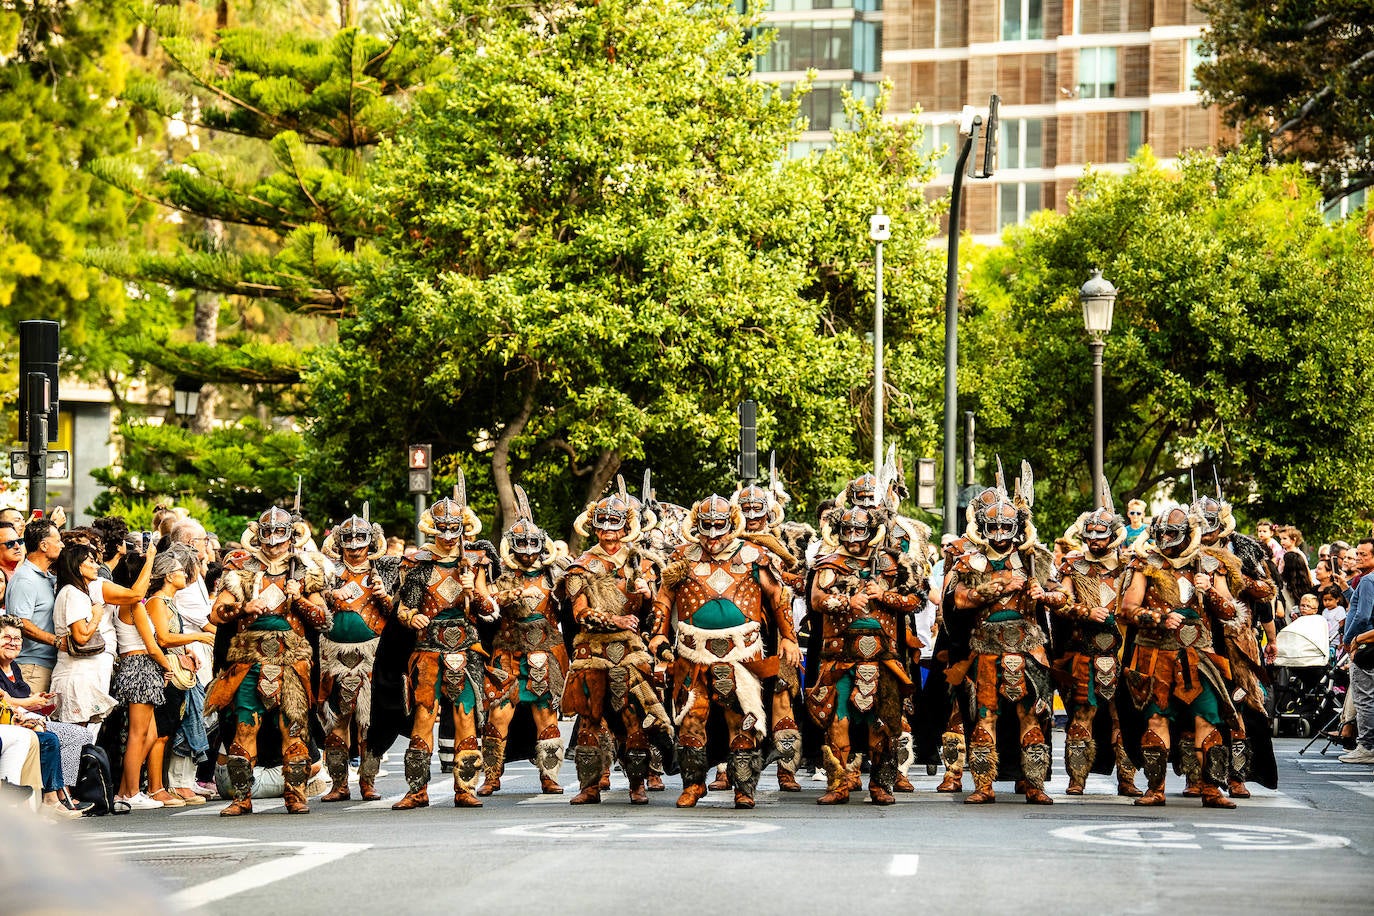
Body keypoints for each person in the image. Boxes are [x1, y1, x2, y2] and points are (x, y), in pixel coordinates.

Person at [651, 495, 798, 809]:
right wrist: (658, 636)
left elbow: (778, 598)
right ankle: (693, 784)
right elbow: (663, 600)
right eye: (707, 527)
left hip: (742, 654)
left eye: (720, 526)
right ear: (697, 526)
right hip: (692, 654)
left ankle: (744, 788)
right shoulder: (681, 557)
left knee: (743, 721)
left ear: (732, 525)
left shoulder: (755, 556)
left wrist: (788, 638)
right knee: (690, 720)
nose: (714, 535)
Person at [947, 462, 1062, 805]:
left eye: (1005, 526)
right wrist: (997, 586)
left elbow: (1061, 594)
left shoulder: (1033, 560)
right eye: (993, 525)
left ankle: (1034, 783)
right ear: (983, 526)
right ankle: (983, 785)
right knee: (985, 716)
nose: (999, 531)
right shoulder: (969, 562)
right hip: (986, 648)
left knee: (1032, 716)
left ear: (1015, 527)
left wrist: (1047, 595)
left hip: (1028, 649)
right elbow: (959, 600)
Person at [205, 504, 331, 815]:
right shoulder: (241, 570)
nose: (273, 541)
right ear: (258, 537)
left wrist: (298, 597)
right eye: (268, 534)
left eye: (279, 533)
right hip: (249, 659)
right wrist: (242, 609)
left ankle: (296, 795)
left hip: (292, 660)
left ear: (290, 536)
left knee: (294, 728)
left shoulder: (305, 571)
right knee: (245, 728)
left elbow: (323, 619)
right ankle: (241, 797)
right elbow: (217, 612)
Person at [1119, 504, 1244, 808]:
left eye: (1171, 533)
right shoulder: (1144, 564)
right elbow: (1126, 609)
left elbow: (1231, 613)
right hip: (1155, 655)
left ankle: (1211, 789)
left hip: (1199, 658)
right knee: (1156, 720)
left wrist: (1210, 590)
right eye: (1160, 533)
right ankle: (1155, 789)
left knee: (1207, 721)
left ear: (1187, 534)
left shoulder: (1210, 565)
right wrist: (1159, 617)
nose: (1165, 539)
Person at [806, 500, 925, 806]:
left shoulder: (892, 562)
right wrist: (847, 602)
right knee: (838, 721)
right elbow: (818, 600)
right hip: (841, 656)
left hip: (883, 656)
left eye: (860, 530)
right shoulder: (828, 564)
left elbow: (916, 600)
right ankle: (840, 782)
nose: (854, 536)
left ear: (872, 531)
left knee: (882, 722)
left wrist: (882, 595)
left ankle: (880, 784)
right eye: (848, 529)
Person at [391, 492, 503, 810]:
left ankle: (464, 788)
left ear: (463, 528)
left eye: (454, 528)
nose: (449, 535)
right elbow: (404, 607)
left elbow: (487, 609)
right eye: (443, 528)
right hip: (428, 647)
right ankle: (417, 790)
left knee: (466, 718)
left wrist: (472, 591)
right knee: (424, 717)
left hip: (466, 646)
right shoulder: (419, 561)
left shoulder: (474, 561)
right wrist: (413, 617)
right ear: (433, 529)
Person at [560, 487, 670, 806]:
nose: (609, 531)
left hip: (631, 651)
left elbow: (655, 614)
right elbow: (580, 614)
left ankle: (638, 783)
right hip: (592, 651)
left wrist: (645, 597)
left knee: (633, 715)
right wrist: (616, 620)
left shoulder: (643, 564)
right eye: (603, 525)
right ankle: (590, 786)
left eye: (615, 524)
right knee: (592, 719)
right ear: (594, 528)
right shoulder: (581, 565)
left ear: (625, 527)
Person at [478, 489, 570, 797]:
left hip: (544, 652)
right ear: (512, 546)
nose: (528, 550)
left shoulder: (553, 574)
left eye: (533, 544)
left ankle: (549, 776)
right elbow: (487, 603)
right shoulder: (501, 574)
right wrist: (511, 595)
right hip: (507, 653)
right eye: (522, 544)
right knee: (498, 715)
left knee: (546, 715)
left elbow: (570, 604)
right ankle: (491, 776)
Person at [1050, 483, 1140, 796]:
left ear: (1113, 535)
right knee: (1082, 715)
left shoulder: (1131, 566)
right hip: (1084, 650)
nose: (1095, 541)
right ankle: (1077, 779)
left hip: (1122, 652)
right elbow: (1060, 602)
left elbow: (1140, 603)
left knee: (1122, 717)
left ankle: (1127, 780)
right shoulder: (1073, 565)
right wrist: (1084, 611)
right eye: (1090, 535)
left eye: (1101, 535)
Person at [316, 508, 399, 801]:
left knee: (368, 720)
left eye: (360, 542)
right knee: (336, 719)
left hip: (372, 653)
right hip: (333, 654)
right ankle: (339, 784)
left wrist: (383, 596)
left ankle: (367, 781)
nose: (354, 549)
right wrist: (329, 595)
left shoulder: (385, 572)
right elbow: (313, 605)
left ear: (370, 543)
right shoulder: (327, 573)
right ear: (340, 544)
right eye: (348, 542)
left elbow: (397, 614)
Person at [0, 615, 92, 817]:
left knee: (82, 735)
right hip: (12, 722)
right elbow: (5, 702)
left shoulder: (14, 667)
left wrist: (38, 699)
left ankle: (60, 792)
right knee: (62, 737)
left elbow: (20, 697)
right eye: (7, 637)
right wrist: (30, 704)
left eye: (17, 639)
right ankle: (60, 795)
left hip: (26, 718)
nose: (12, 643)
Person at [144, 545, 214, 807]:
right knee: (161, 731)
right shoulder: (157, 602)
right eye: (179, 570)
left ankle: (162, 786)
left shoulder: (169, 602)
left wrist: (188, 651)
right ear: (166, 575)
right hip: (164, 673)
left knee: (169, 730)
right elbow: (162, 637)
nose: (185, 574)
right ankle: (155, 787)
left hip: (176, 670)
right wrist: (198, 637)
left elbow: (172, 637)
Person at [8, 519, 64, 692]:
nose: (62, 545)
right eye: (58, 540)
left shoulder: (45, 576)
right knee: (32, 718)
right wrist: (56, 641)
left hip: (46, 665)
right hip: (31, 667)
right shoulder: (26, 579)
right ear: (44, 545)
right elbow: (21, 623)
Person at [1338, 539, 1374, 765]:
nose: (1358, 558)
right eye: (1357, 554)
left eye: (1363, 554)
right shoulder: (1366, 581)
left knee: (1364, 699)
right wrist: (1346, 589)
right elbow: (1361, 604)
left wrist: (1350, 639)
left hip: (1365, 645)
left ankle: (1367, 746)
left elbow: (1363, 616)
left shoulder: (1369, 580)